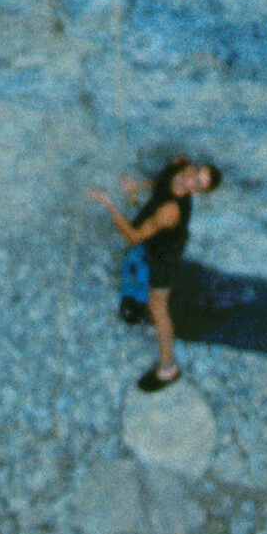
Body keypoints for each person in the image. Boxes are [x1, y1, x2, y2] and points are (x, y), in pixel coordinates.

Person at [91, 156, 221, 391]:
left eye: (198, 184)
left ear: (196, 193)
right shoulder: (181, 164)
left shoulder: (170, 211)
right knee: (140, 272)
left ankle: (168, 367)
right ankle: (148, 313)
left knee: (159, 305)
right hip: (155, 243)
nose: (191, 178)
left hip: (165, 256)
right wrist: (136, 185)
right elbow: (161, 182)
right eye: (197, 172)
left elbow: (133, 236)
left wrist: (108, 204)